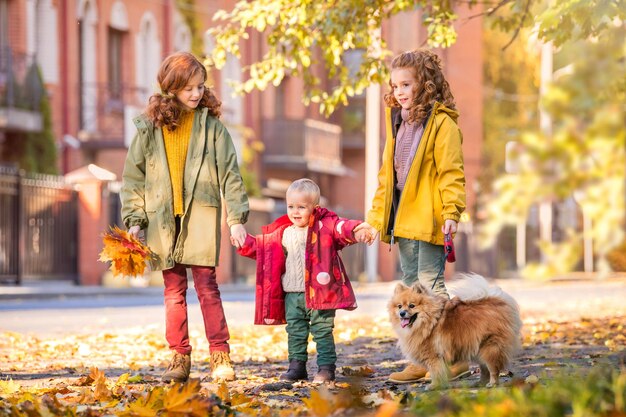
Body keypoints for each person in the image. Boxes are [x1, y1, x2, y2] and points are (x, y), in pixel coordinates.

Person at [120, 51, 249, 383]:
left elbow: (230, 175)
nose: (196, 93)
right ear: (172, 87)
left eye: (200, 86)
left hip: (201, 216)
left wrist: (236, 218)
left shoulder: (213, 128)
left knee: (207, 287)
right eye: (189, 87)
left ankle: (220, 355)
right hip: (163, 219)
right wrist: (135, 218)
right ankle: (179, 358)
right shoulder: (149, 129)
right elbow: (134, 177)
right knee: (173, 290)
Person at [355, 49, 470, 384]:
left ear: (426, 84)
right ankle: (424, 358)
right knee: (411, 289)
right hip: (403, 222)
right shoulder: (397, 124)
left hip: (430, 219)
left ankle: (454, 357)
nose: (400, 90)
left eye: (407, 83)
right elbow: (385, 178)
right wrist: (376, 220)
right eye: (395, 85)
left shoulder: (442, 124)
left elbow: (452, 173)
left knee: (432, 289)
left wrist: (451, 212)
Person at [236, 179, 370, 383]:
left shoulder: (325, 228)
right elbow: (263, 250)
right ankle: (296, 366)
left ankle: (326, 368)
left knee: (322, 330)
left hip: (321, 294)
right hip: (292, 294)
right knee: (295, 332)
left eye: (301, 207)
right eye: (291, 206)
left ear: (314, 209)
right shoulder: (283, 232)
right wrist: (244, 242)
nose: (295, 211)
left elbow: (342, 227)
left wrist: (358, 230)